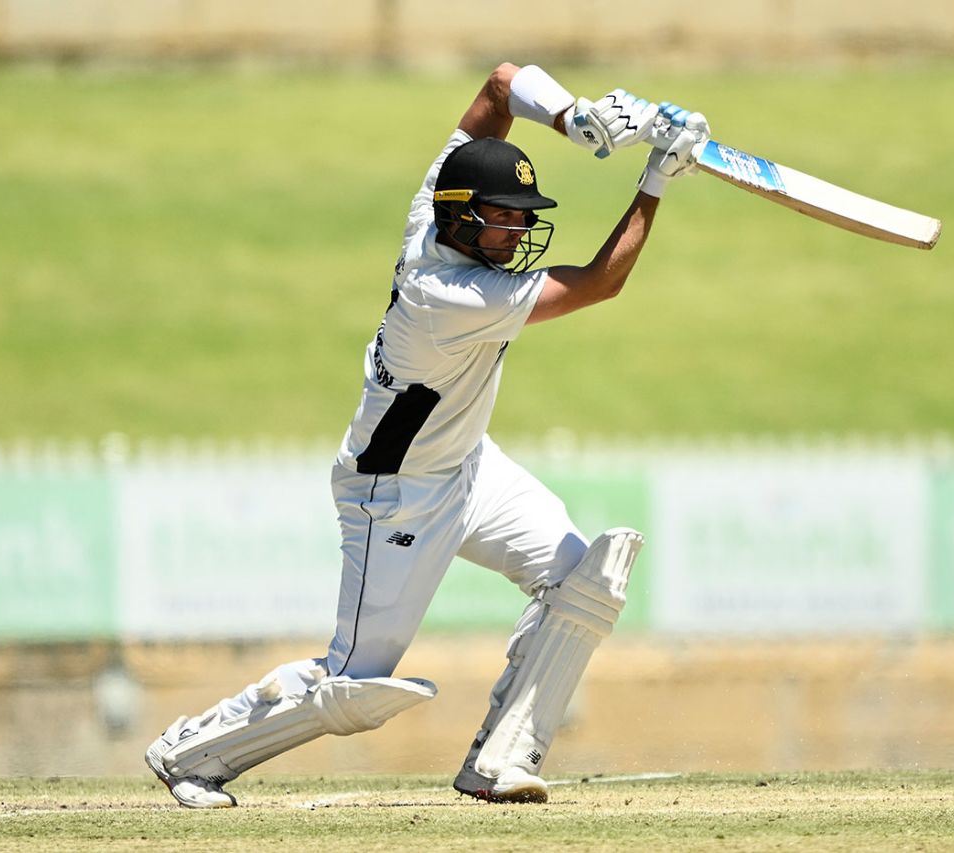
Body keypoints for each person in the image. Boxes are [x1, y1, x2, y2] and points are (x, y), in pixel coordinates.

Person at [145, 62, 709, 807]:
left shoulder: (431, 204)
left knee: (584, 580)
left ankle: (501, 759)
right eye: (504, 217)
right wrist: (657, 176)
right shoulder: (448, 294)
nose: (519, 230)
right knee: (354, 687)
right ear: (462, 219)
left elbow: (504, 82)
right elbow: (601, 281)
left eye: (522, 215)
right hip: (396, 496)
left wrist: (575, 118)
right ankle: (192, 751)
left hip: (469, 466)